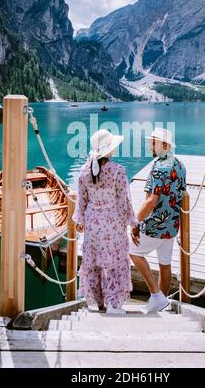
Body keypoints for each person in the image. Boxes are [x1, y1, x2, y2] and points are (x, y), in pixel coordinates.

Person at [73, 129, 138, 315]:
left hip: (93, 223)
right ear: (109, 150)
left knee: (94, 262)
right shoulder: (118, 171)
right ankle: (113, 304)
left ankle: (100, 304)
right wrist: (133, 224)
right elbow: (124, 201)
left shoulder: (84, 171)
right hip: (112, 224)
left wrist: (80, 221)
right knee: (114, 262)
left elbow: (82, 201)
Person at [130, 128, 186, 313]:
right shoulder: (179, 164)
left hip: (156, 224)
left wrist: (135, 222)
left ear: (165, 145)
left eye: (154, 141)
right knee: (165, 263)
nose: (150, 144)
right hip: (172, 224)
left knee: (133, 251)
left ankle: (156, 295)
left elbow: (151, 201)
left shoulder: (159, 167)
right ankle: (160, 304)